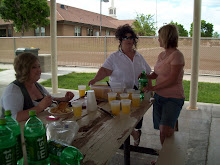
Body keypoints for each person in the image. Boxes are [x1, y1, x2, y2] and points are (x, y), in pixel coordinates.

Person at [88, 24, 152, 146]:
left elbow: (147, 73)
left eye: (131, 37)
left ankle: (133, 133)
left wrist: (150, 89)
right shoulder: (114, 57)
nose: (129, 40)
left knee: (134, 121)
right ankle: (132, 135)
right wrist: (95, 79)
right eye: (125, 37)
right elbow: (105, 70)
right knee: (119, 119)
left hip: (138, 95)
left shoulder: (139, 57)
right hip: (119, 95)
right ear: (120, 40)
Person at [143, 24, 185, 164]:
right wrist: (147, 76)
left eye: (159, 37)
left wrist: (152, 88)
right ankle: (167, 159)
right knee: (164, 130)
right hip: (160, 98)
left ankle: (166, 160)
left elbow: (172, 80)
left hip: (173, 98)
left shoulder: (177, 56)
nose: (158, 39)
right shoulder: (162, 55)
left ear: (166, 37)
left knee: (165, 129)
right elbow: (156, 74)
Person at [1, 53, 74, 122]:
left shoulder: (35, 85)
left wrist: (64, 99)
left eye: (39, 66)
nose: (39, 70)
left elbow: (51, 99)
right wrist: (39, 108)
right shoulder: (13, 91)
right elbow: (13, 117)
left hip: (38, 126)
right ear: (23, 70)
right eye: (34, 67)